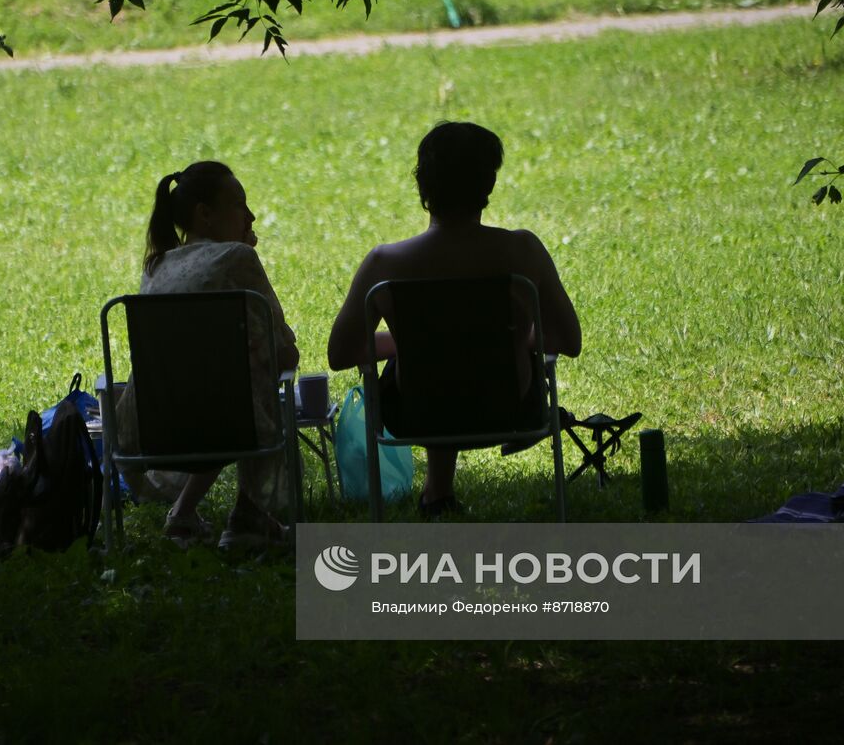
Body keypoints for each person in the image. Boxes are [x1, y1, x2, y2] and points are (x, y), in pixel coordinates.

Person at [326, 122, 581, 516]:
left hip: (417, 412)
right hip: (509, 407)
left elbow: (341, 353)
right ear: (489, 185)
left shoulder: (385, 263)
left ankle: (437, 494)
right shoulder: (523, 251)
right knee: (461, 363)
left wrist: (413, 340)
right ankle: (437, 493)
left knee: (429, 368)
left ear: (422, 186)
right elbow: (567, 338)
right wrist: (509, 337)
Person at [115, 161, 299, 548]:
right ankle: (248, 514)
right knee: (243, 376)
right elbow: (284, 351)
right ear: (205, 214)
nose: (250, 215)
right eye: (239, 205)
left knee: (210, 375)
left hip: (156, 423)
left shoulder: (157, 265)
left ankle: (182, 514)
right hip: (227, 422)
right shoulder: (237, 258)